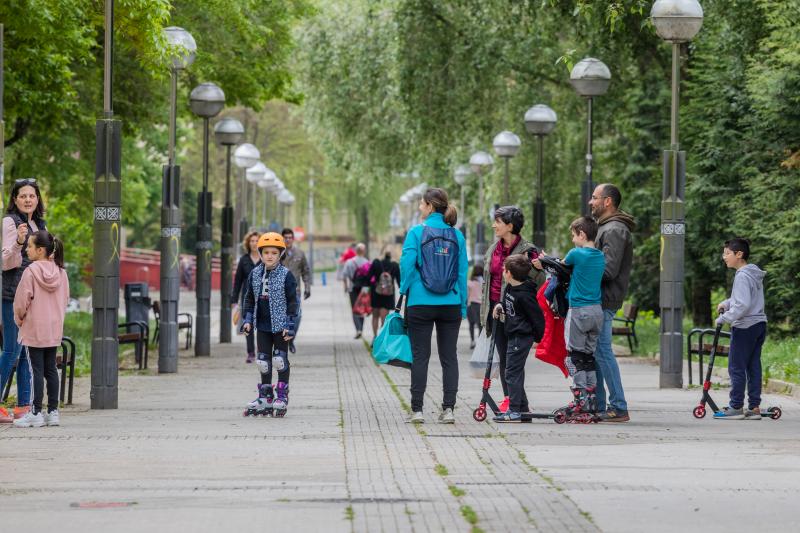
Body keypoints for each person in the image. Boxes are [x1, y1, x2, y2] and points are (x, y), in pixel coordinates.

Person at [400, 188, 468, 424]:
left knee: (420, 356)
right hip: (451, 302)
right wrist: (462, 305)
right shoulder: (457, 236)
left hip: (420, 302)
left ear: (430, 206)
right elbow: (462, 273)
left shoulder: (416, 233)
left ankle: (417, 410)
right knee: (449, 357)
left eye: (421, 204)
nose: (419, 208)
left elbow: (407, 266)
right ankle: (448, 409)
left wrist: (403, 291)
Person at [480, 206, 544, 414]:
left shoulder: (528, 250)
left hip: (517, 313)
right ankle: (513, 401)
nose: (494, 225)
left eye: (498, 222)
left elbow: (538, 282)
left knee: (513, 362)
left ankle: (516, 404)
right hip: (497, 311)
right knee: (505, 359)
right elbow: (487, 282)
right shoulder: (493, 249)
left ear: (510, 226)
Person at [0, 179, 46, 424]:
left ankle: (23, 407)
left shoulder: (39, 223)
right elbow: (6, 263)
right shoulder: (10, 222)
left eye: (32, 195)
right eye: (23, 196)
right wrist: (19, 242)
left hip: (33, 297)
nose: (28, 199)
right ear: (15, 199)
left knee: (28, 350)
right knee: (11, 350)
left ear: (38, 199)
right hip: (12, 295)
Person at [551, 216, 606, 419]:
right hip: (596, 311)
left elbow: (561, 265)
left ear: (582, 234)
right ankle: (591, 400)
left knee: (573, 357)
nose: (573, 240)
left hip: (579, 310)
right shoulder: (600, 256)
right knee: (588, 357)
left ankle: (579, 399)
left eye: (574, 236)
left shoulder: (576, 253)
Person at [12, 231, 69, 428]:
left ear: (40, 250)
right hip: (54, 329)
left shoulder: (31, 271)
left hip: (34, 328)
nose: (27, 249)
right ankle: (53, 412)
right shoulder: (61, 272)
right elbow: (65, 300)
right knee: (51, 369)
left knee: (35, 370)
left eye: (29, 246)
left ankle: (35, 412)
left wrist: (19, 319)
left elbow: (21, 302)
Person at [589, 183, 635, 422]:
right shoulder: (607, 227)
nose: (590, 201)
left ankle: (618, 406)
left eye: (595, 198)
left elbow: (608, 270)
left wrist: (581, 269)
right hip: (602, 297)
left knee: (603, 350)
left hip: (605, 298)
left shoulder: (614, 229)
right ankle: (598, 404)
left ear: (608, 201)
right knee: (598, 351)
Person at [241, 233, 298, 417]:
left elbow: (292, 301)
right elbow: (249, 298)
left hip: (281, 326)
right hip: (262, 325)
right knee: (263, 362)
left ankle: (281, 396)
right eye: (266, 252)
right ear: (261, 253)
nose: (270, 256)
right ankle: (265, 397)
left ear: (281, 254)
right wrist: (247, 320)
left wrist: (291, 325)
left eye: (274, 252)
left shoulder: (286, 275)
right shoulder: (255, 274)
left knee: (279, 360)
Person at [713, 238, 767, 420]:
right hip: (759, 324)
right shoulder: (753, 273)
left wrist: (723, 318)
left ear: (739, 254)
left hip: (745, 326)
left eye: (727, 253)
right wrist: (727, 303)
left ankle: (736, 405)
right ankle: (754, 407)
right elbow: (745, 299)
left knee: (736, 366)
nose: (724, 257)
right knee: (753, 367)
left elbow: (743, 305)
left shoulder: (742, 275)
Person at [492, 255, 545, 423]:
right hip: (513, 334)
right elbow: (505, 300)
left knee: (511, 373)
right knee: (515, 371)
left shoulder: (525, 295)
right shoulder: (510, 287)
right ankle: (522, 409)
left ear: (509, 274)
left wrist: (537, 338)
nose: (502, 271)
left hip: (522, 336)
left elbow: (537, 318)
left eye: (504, 269)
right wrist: (500, 305)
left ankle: (514, 410)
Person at [231, 231, 261, 363]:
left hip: (263, 298)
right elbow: (237, 281)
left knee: (261, 326)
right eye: (252, 241)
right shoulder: (243, 260)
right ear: (248, 243)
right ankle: (250, 353)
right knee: (247, 325)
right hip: (247, 298)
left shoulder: (265, 259)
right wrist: (234, 300)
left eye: (256, 241)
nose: (254, 243)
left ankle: (262, 351)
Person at [280, 228, 311, 352]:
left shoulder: (300, 253)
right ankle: (283, 342)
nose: (287, 240)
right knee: (282, 319)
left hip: (295, 292)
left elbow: (306, 271)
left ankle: (291, 340)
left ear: (293, 239)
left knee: (296, 317)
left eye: (290, 237)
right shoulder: (278, 253)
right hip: (280, 292)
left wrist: (307, 287)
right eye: (285, 237)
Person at [368, 248, 400, 338]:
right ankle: (382, 338)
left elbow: (368, 277)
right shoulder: (394, 265)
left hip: (376, 293)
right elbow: (399, 281)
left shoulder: (376, 262)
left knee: (375, 316)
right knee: (384, 318)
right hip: (388, 294)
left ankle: (374, 337)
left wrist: (372, 285)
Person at [341, 243, 370, 339]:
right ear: (364, 251)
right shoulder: (367, 262)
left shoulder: (349, 262)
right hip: (364, 289)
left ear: (356, 251)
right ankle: (361, 328)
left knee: (354, 308)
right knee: (362, 308)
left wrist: (345, 286)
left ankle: (358, 329)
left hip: (352, 288)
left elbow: (344, 275)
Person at [467, 265, 484, 349]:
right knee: (480, 325)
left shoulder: (469, 282)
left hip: (471, 305)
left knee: (471, 324)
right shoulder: (484, 282)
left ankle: (472, 341)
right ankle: (480, 342)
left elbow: (467, 295)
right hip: (481, 306)